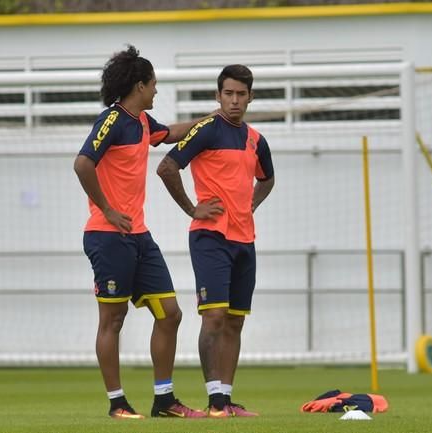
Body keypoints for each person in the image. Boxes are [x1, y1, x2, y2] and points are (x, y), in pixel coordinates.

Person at [74, 45, 207, 420]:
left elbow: (173, 132)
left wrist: (211, 119)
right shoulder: (111, 121)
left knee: (170, 313)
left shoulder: (143, 124)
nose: (156, 91)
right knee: (112, 321)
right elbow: (83, 163)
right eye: (153, 85)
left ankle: (164, 401)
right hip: (107, 235)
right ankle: (117, 404)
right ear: (138, 85)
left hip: (139, 237)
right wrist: (108, 209)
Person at [157, 64, 275, 418]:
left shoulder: (256, 139)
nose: (234, 100)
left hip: (245, 240)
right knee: (215, 317)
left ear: (250, 97)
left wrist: (250, 204)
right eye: (228, 93)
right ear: (218, 96)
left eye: (241, 94)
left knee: (236, 320)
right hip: (210, 238)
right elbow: (166, 167)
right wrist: (192, 209)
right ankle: (214, 401)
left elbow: (267, 179)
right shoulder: (205, 130)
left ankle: (225, 397)